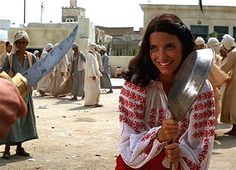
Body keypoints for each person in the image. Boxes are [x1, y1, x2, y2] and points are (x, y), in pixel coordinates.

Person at [116, 14, 215, 169]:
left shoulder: (200, 88)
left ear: (183, 46)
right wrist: (159, 135)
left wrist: (181, 152)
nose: (161, 56)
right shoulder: (136, 86)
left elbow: (201, 143)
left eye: (170, 46)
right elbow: (129, 141)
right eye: (154, 48)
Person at [0, 30, 38, 159]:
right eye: (19, 42)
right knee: (12, 120)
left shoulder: (32, 57)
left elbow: (37, 71)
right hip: (13, 93)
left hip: (26, 93)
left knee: (23, 120)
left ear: (27, 43)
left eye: (24, 42)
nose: (22, 45)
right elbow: (3, 72)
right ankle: (7, 148)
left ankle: (20, 147)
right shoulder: (10, 58)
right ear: (16, 43)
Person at [220, 34, 236, 136]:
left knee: (233, 105)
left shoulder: (233, 53)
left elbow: (225, 68)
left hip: (234, 83)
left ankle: (235, 128)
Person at [84, 43, 103, 107]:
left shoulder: (93, 55)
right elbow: (91, 66)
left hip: (94, 75)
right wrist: (93, 75)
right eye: (95, 48)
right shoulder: (90, 55)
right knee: (94, 90)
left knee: (94, 89)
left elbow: (95, 66)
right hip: (91, 76)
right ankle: (92, 102)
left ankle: (93, 102)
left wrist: (98, 73)